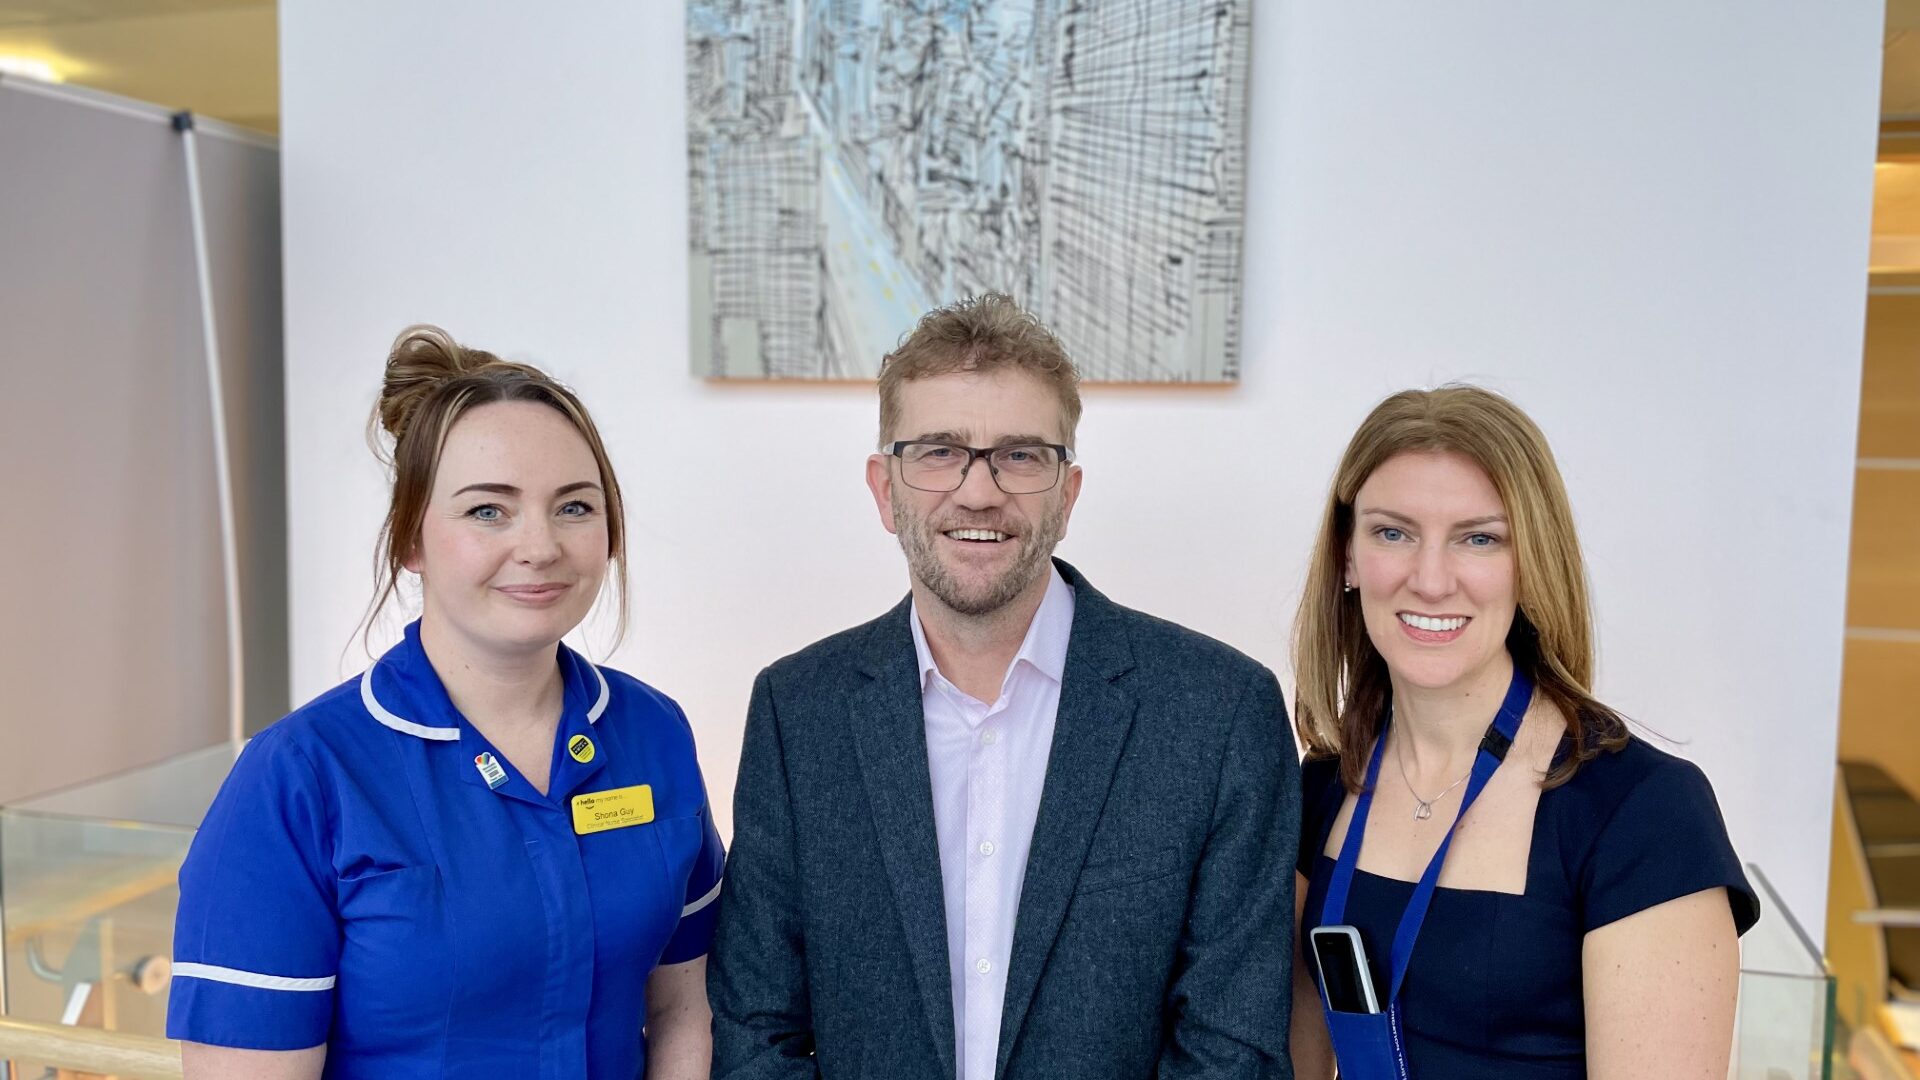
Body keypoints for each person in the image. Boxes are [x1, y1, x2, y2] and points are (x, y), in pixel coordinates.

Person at [707, 293, 1300, 1080]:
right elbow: (755, 1029)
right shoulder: (797, 711)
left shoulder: (1219, 714)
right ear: (885, 489)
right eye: (939, 451)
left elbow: (1233, 1048)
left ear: (1068, 492)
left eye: (1021, 455)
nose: (979, 492)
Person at [168, 327, 723, 1079]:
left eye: (574, 507)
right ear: (411, 540)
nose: (540, 546)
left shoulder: (652, 732)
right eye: (487, 512)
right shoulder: (298, 780)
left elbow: (684, 1007)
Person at [1287, 385, 1759, 1079]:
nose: (1431, 579)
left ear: (1531, 561)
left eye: (1479, 538)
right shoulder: (1322, 788)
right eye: (1393, 532)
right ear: (1349, 556)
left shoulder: (1646, 814)